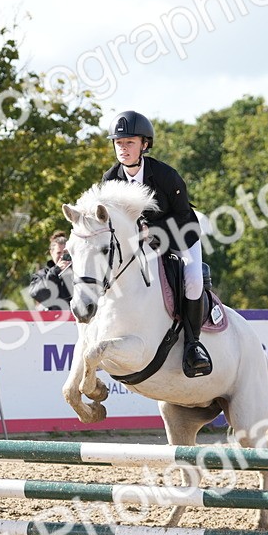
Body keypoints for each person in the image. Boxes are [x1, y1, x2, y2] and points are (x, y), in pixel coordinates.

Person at [102, 110, 211, 377]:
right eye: (119, 142)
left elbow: (184, 216)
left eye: (129, 142)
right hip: (138, 245)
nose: (123, 148)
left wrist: (152, 230)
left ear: (144, 144)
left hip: (180, 234)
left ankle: (193, 345)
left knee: (193, 279)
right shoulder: (110, 179)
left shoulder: (165, 175)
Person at [28, 231, 73, 310]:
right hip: (54, 316)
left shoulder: (79, 272)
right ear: (51, 253)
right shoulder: (42, 274)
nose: (62, 256)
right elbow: (36, 293)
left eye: (65, 252)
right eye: (59, 253)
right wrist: (54, 273)